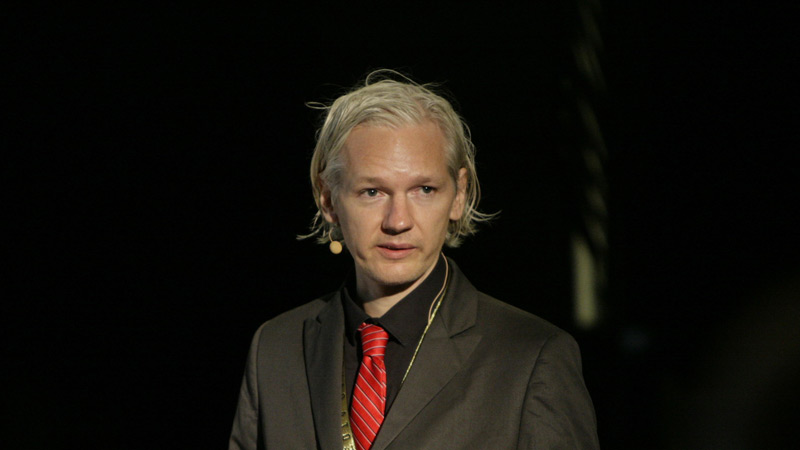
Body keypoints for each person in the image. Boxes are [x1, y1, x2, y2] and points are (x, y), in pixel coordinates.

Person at [229, 70, 599, 449]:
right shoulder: (276, 349)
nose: (398, 221)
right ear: (328, 199)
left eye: (424, 189)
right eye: (372, 192)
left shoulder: (532, 358)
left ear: (458, 195)